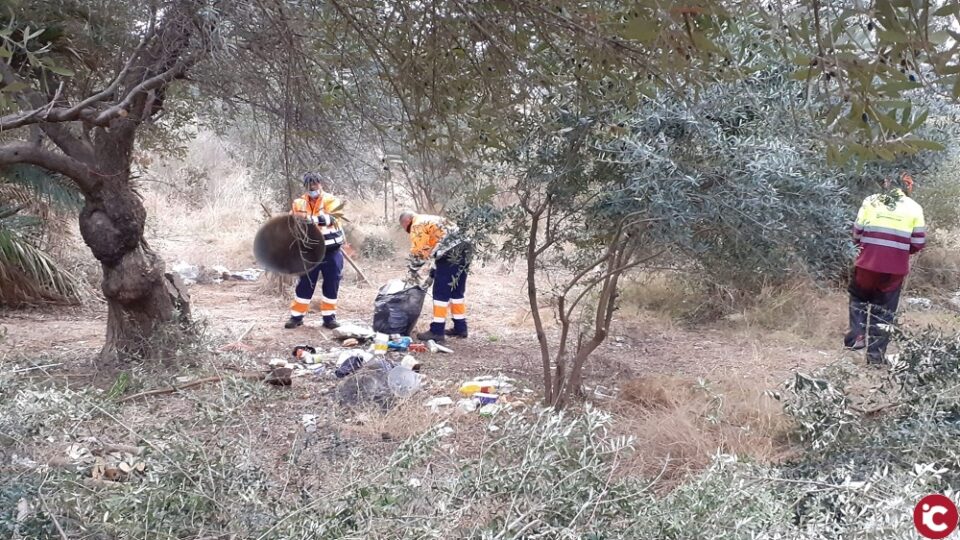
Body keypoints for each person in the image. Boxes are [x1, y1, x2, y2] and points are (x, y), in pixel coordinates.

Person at [845, 172, 925, 365]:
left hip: (867, 264)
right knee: (885, 313)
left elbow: (856, 234)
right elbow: (918, 242)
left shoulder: (871, 201)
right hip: (894, 270)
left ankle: (857, 336)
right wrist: (901, 251)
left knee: (858, 299)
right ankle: (875, 358)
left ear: (886, 184)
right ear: (907, 187)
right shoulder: (915, 208)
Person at [284, 172, 346, 330]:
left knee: (331, 284)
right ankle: (296, 317)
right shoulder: (298, 203)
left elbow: (333, 218)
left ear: (320, 184)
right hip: (309, 252)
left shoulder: (331, 200)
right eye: (309, 185)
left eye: (315, 184)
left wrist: (311, 220)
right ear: (305, 187)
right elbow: (292, 222)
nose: (312, 188)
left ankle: (329, 318)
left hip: (331, 251)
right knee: (305, 284)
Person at [399, 211, 472, 343]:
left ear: (406, 221)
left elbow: (419, 251)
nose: (407, 232)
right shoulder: (430, 219)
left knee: (440, 293)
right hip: (465, 248)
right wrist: (434, 271)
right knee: (456, 291)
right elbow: (436, 247)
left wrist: (412, 272)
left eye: (405, 228)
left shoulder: (416, 225)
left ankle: (437, 330)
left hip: (450, 251)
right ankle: (461, 327)